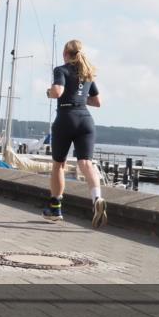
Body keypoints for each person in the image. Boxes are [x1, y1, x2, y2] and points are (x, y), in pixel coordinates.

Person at [45, 39, 105, 227]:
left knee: (59, 164)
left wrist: (49, 92)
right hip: (86, 120)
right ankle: (97, 199)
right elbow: (97, 102)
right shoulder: (87, 74)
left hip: (66, 118)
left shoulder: (61, 70)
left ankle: (55, 208)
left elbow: (57, 91)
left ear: (65, 54)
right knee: (86, 163)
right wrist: (79, 98)